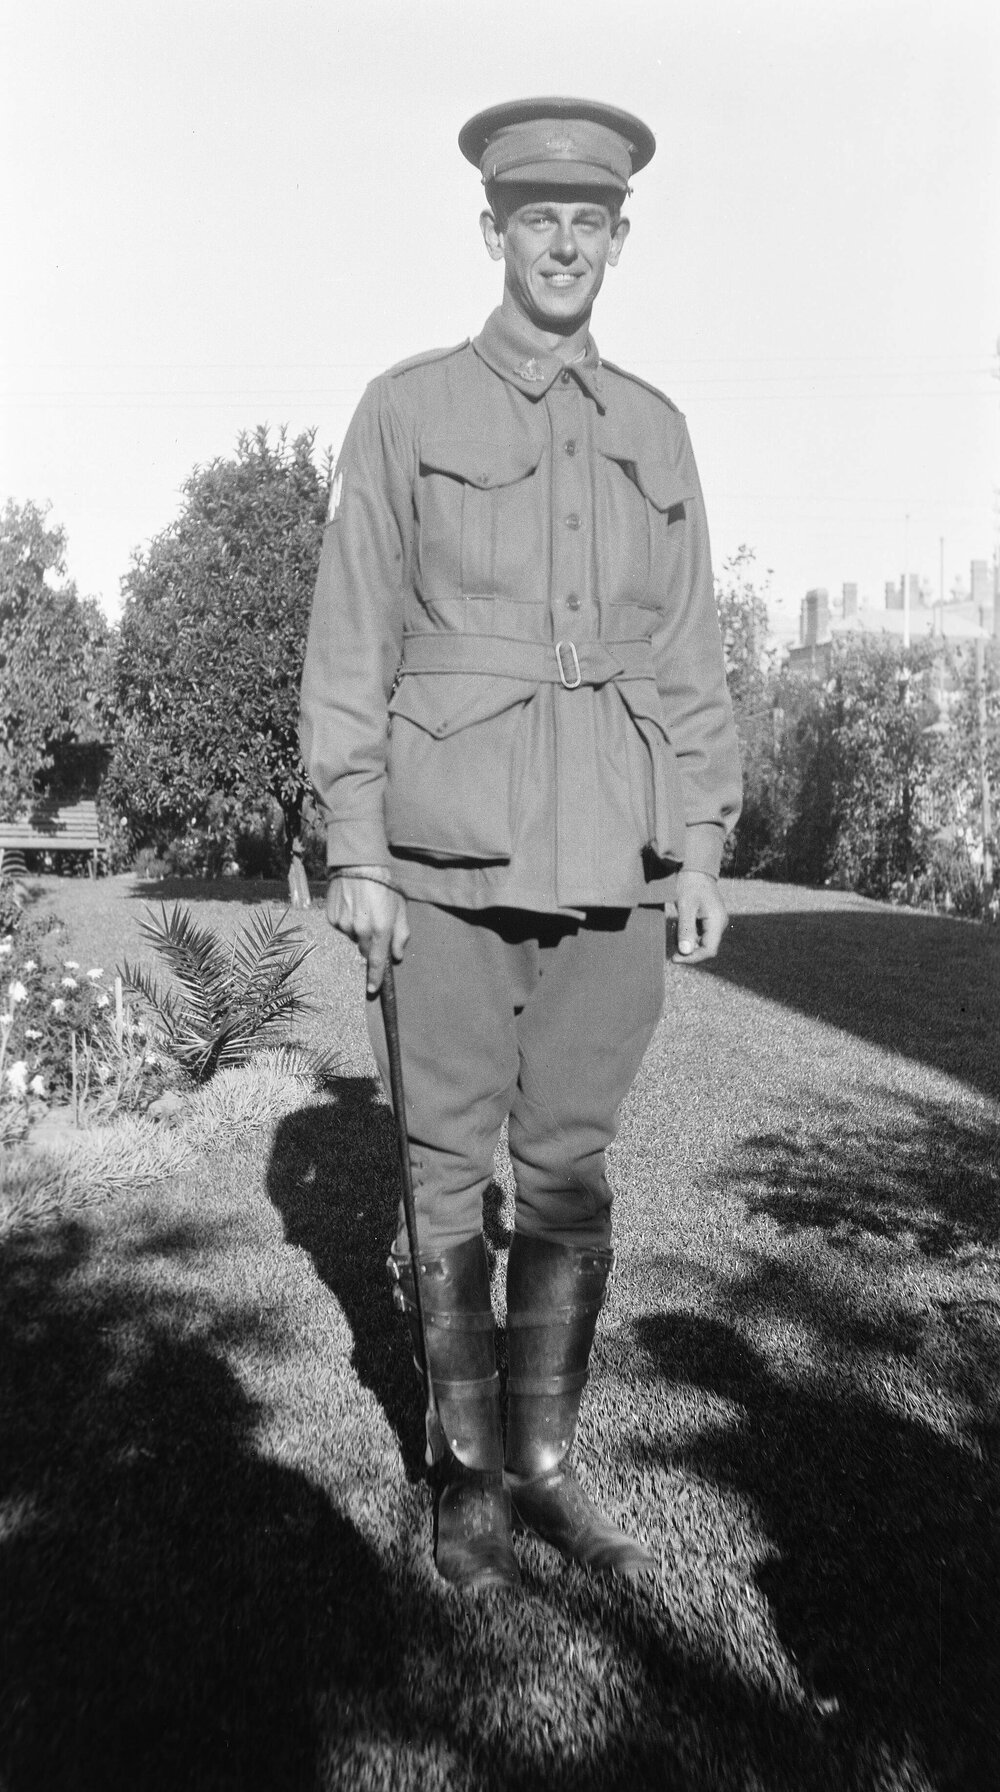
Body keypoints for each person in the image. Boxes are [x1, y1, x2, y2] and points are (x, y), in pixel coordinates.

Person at [300, 96, 741, 1594]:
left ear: (619, 239)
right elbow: (349, 637)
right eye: (536, 218)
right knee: (443, 1170)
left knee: (568, 1170)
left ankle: (545, 1463)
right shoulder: (407, 410)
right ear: (492, 233)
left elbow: (689, 657)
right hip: (439, 853)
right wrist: (353, 841)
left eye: (590, 221)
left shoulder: (657, 430)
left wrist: (697, 848)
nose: (564, 242)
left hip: (612, 855)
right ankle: (463, 1479)